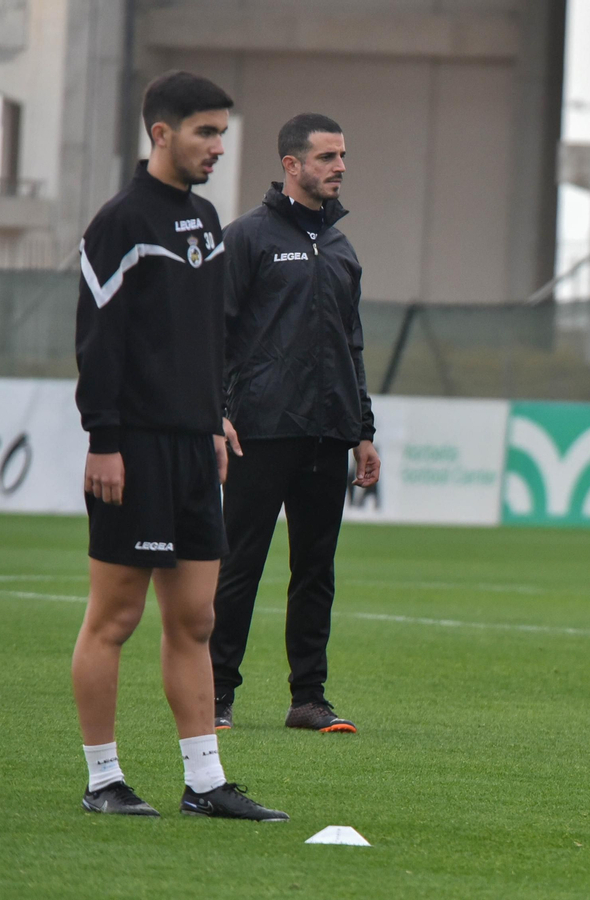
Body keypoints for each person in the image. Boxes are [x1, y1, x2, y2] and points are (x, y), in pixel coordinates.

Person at [73, 70, 286, 820]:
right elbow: (99, 340)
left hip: (197, 446)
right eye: (205, 132)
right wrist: (104, 439)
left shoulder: (203, 219)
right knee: (115, 619)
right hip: (134, 448)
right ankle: (104, 779)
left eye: (223, 132)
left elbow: (207, 338)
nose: (218, 146)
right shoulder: (120, 221)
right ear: (161, 133)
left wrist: (215, 416)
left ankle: (204, 785)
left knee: (196, 619)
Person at [209, 113, 378, 735]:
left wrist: (362, 429)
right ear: (291, 165)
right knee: (241, 564)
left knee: (315, 569)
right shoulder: (247, 237)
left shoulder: (341, 248)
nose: (339, 166)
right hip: (259, 431)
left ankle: (308, 698)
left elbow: (350, 345)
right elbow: (217, 336)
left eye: (342, 156)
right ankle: (216, 694)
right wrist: (218, 412)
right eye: (328, 156)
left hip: (328, 433)